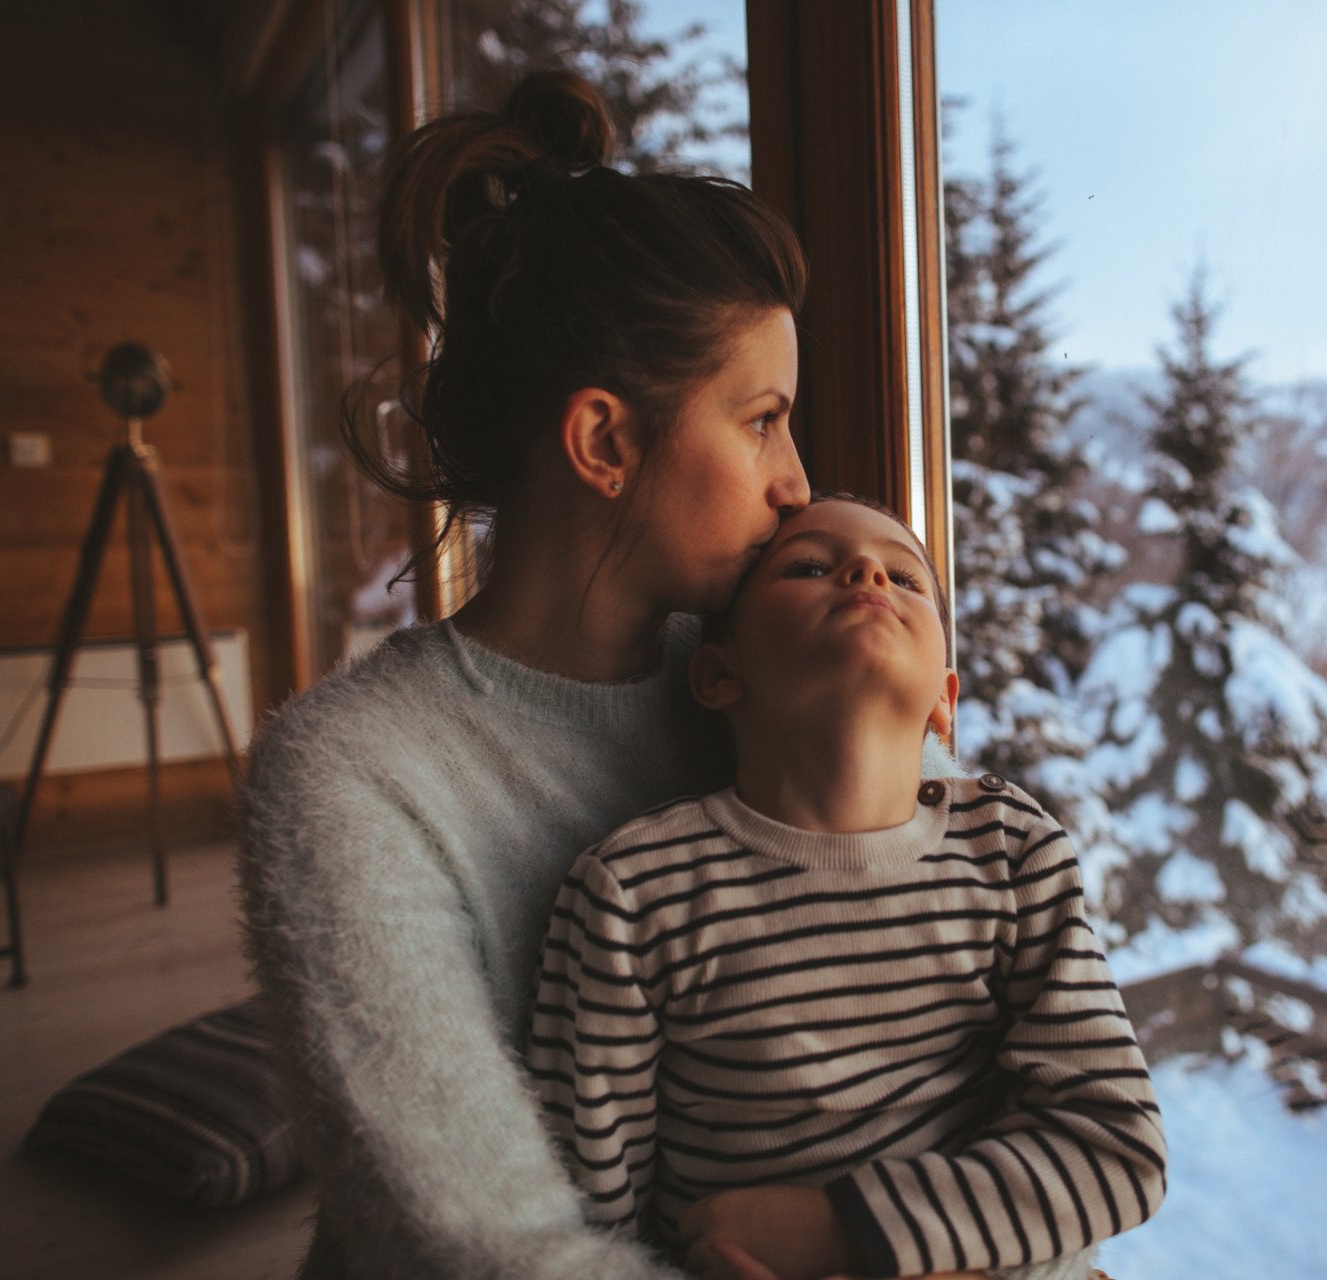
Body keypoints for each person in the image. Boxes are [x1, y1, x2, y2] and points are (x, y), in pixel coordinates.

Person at [238, 69, 815, 1279]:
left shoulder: (776, 688)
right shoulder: (350, 778)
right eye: (763, 418)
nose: (797, 483)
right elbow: (487, 1252)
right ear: (606, 440)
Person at [531, 496, 1166, 1280]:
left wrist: (840, 1228)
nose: (868, 573)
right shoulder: (631, 891)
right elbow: (578, 1218)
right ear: (718, 673)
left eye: (905, 577)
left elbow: (1117, 1147)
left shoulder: (1013, 851)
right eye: (809, 565)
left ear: (944, 699)